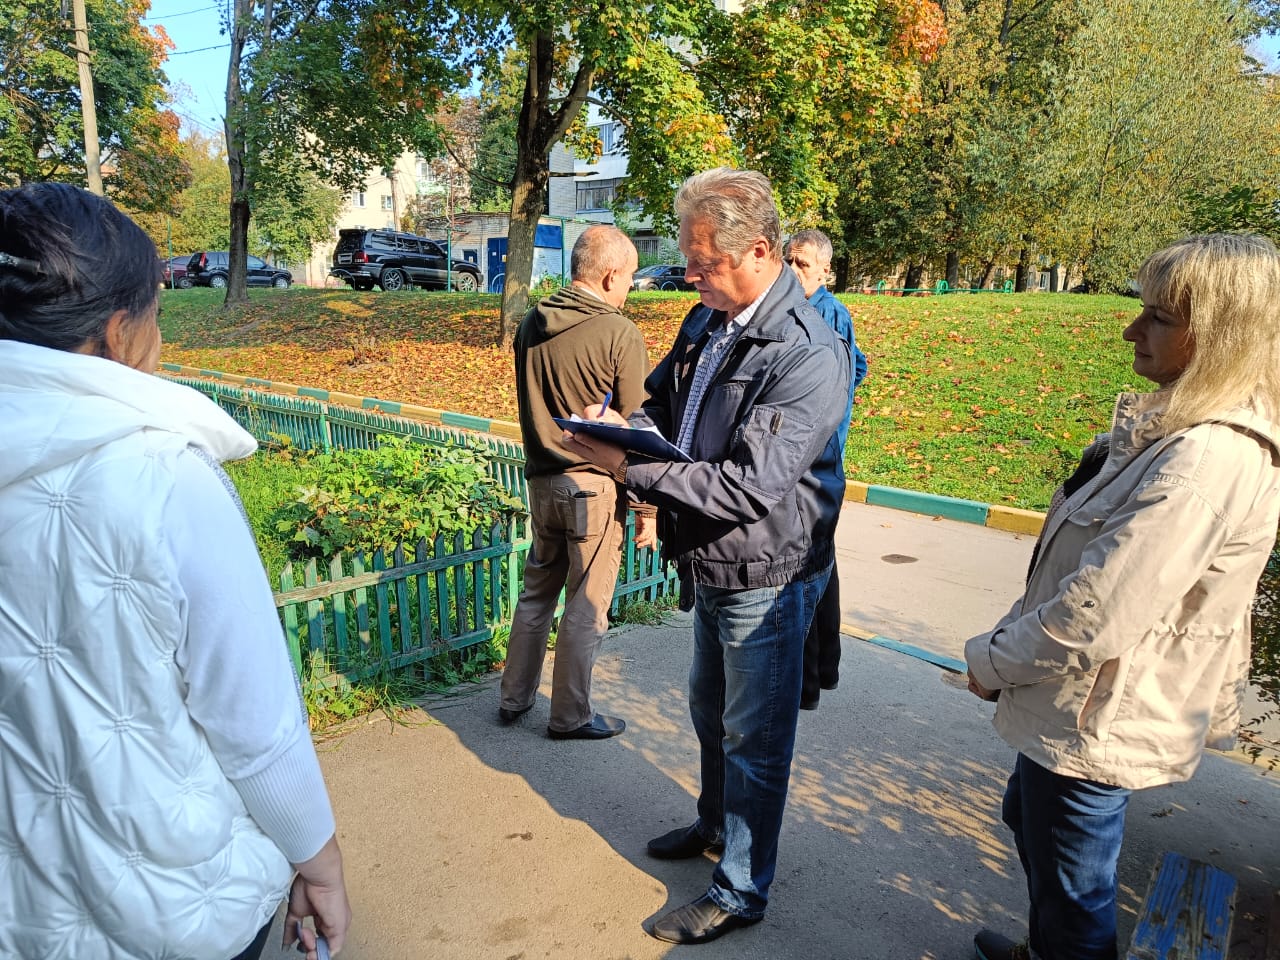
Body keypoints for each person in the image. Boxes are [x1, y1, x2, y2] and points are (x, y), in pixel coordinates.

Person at [0, 183, 350, 960]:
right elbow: (253, 724)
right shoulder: (162, 474)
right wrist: (317, 860)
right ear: (120, 332)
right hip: (175, 905)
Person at [963, 233, 1280, 960]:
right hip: (1083, 702)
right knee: (1032, 822)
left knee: (1076, 892)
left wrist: (991, 660)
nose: (1131, 329)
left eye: (1159, 317)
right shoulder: (1183, 430)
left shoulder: (1209, 455)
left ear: (1223, 335)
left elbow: (1096, 611)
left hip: (1098, 714)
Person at [565, 167, 850, 944]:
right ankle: (716, 827)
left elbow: (747, 488)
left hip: (768, 568)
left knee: (754, 739)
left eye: (702, 261)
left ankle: (741, 888)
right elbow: (662, 400)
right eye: (689, 261)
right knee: (709, 711)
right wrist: (617, 420)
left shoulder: (808, 353)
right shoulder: (708, 317)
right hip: (715, 561)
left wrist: (627, 465)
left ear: (760, 251)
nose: (686, 275)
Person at [499, 224, 654, 740]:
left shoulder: (529, 325)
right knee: (586, 605)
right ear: (610, 275)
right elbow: (637, 429)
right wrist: (647, 510)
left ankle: (514, 698)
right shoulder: (618, 332)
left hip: (541, 483)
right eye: (630, 277)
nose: (630, 286)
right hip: (593, 486)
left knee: (536, 595)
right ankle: (569, 716)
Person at [783, 228, 868, 710]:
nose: (793, 270)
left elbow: (849, 369)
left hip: (816, 459)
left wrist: (828, 415)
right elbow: (858, 366)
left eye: (803, 264)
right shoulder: (813, 309)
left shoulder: (826, 312)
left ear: (824, 271)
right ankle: (824, 669)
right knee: (820, 563)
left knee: (806, 566)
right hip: (815, 456)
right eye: (789, 260)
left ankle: (810, 681)